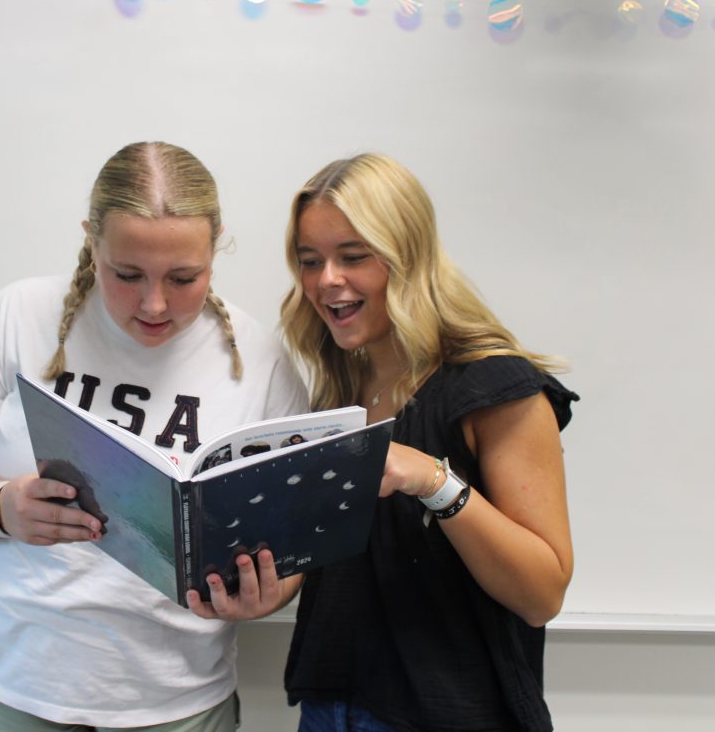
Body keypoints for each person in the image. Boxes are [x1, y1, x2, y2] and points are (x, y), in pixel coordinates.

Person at [0, 141, 309, 732]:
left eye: (184, 277)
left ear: (216, 245)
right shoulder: (17, 316)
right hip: (8, 678)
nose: (154, 304)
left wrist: (268, 595)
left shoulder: (260, 359)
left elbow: (298, 539)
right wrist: (2, 507)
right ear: (90, 240)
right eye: (126, 275)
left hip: (175, 699)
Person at [189, 154, 578, 732]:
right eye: (309, 261)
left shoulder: (495, 386)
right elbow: (335, 561)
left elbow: (541, 593)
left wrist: (435, 482)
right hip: (333, 705)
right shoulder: (342, 388)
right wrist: (263, 593)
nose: (327, 281)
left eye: (353, 257)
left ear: (408, 255)